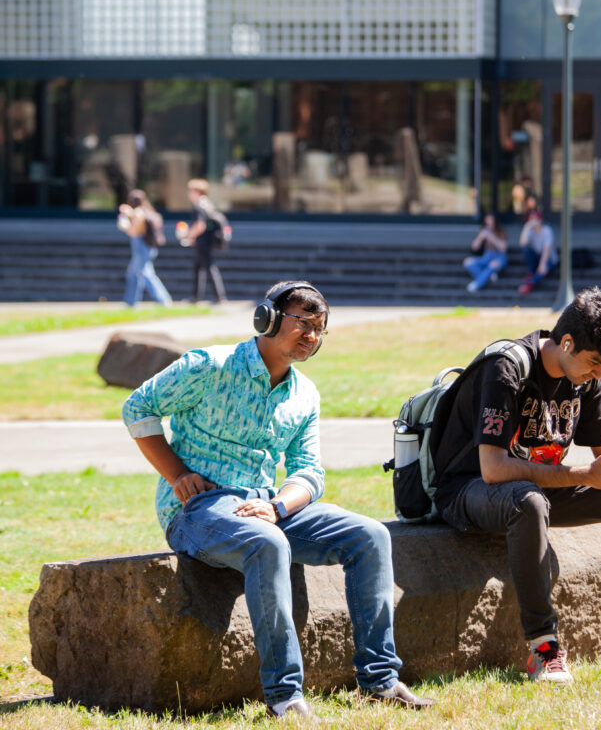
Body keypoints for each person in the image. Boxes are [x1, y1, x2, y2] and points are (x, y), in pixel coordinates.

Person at [121, 280, 433, 720]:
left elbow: (309, 471)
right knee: (269, 544)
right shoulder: (209, 365)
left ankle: (379, 680)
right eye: (302, 323)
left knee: (370, 535)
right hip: (198, 510)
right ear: (266, 318)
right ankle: (285, 697)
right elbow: (138, 407)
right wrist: (177, 475)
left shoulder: (305, 394)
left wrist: (278, 506)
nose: (312, 336)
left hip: (266, 506)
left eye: (319, 329)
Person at [432, 287, 601, 684]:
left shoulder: (583, 378)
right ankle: (544, 647)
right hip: (468, 490)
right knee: (527, 502)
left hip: (535, 489)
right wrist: (583, 476)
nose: (598, 374)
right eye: (594, 361)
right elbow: (493, 469)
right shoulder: (506, 366)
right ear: (566, 342)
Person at [117, 189, 172, 308]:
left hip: (141, 248)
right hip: (147, 248)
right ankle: (130, 303)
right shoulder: (148, 211)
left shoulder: (138, 212)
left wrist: (124, 223)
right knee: (133, 274)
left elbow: (134, 231)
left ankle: (163, 300)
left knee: (145, 274)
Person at [185, 178, 227, 305]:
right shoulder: (208, 204)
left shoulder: (199, 206)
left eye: (191, 191)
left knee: (208, 268)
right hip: (208, 241)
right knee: (200, 268)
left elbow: (200, 225)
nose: (189, 194)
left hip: (203, 242)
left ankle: (219, 297)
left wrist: (189, 236)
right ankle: (196, 296)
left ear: (197, 192)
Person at [463, 214, 508, 293]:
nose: (488, 222)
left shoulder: (500, 232)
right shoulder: (483, 231)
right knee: (468, 262)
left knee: (492, 265)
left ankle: (477, 284)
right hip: (487, 256)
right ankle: (489, 275)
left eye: (490, 220)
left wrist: (491, 237)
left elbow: (503, 248)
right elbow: (474, 247)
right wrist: (480, 237)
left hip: (499, 257)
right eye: (487, 220)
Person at [518, 210, 557, 295]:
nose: (532, 221)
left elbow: (546, 249)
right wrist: (526, 227)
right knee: (526, 249)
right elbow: (522, 243)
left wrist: (542, 264)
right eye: (530, 219)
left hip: (548, 259)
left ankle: (529, 284)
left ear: (540, 220)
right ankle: (531, 272)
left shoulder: (547, 230)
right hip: (537, 257)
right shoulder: (530, 231)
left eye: (534, 219)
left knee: (543, 269)